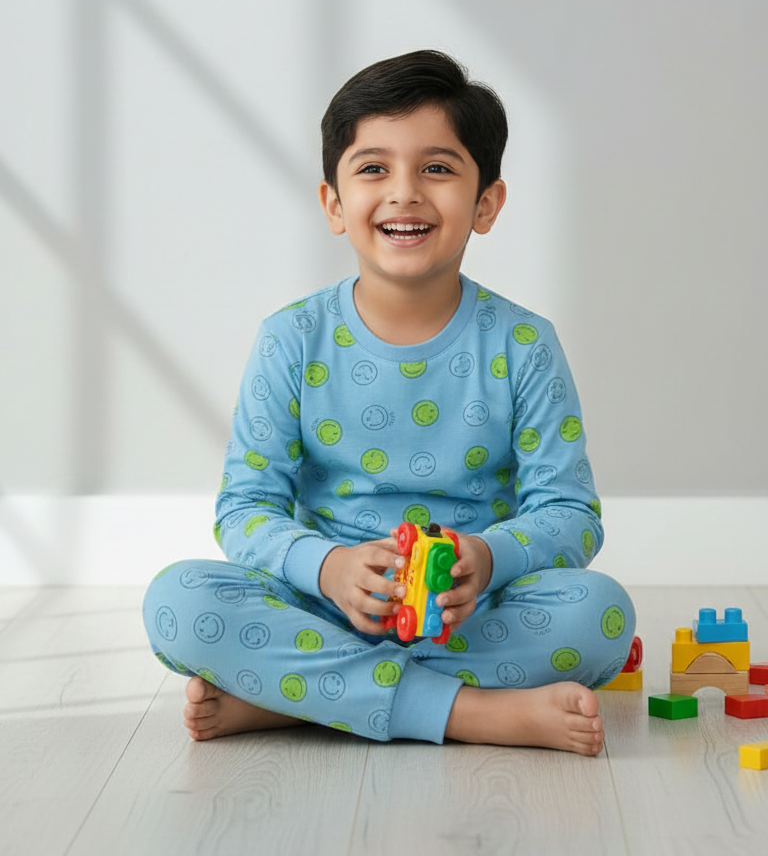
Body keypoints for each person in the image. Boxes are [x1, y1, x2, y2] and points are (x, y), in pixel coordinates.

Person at [142, 50, 635, 755]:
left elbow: (571, 516)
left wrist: (488, 558)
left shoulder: (524, 343)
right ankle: (473, 714)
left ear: (486, 203)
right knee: (177, 602)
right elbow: (245, 510)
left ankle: (299, 699)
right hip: (323, 609)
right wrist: (329, 569)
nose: (404, 192)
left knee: (601, 617)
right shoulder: (292, 338)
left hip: (470, 616)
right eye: (374, 168)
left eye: (437, 168)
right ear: (334, 205)